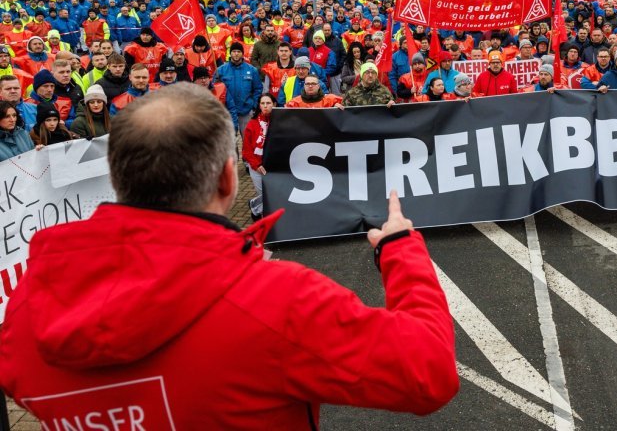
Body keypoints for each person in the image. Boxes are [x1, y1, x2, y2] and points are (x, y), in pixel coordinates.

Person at [0, 83, 459, 428]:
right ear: (227, 179)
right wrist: (401, 251)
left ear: (119, 178)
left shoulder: (26, 309)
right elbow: (429, 372)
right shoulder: (278, 302)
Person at [214, 41, 263, 135]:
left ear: (242, 53)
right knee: (229, 144)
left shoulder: (252, 70)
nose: (236, 54)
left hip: (246, 111)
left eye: (238, 51)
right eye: (234, 51)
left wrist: (254, 106)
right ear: (230, 53)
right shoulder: (221, 70)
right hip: (227, 113)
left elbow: (258, 89)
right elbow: (215, 90)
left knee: (248, 141)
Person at [242, 92, 275, 220]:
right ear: (259, 106)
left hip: (272, 165)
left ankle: (255, 207)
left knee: (272, 195)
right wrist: (256, 165)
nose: (265, 106)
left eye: (268, 103)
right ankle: (258, 213)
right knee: (265, 196)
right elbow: (246, 150)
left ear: (274, 104)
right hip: (257, 166)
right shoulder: (252, 123)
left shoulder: (279, 121)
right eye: (263, 103)